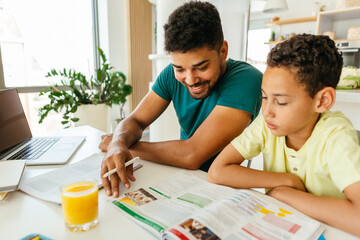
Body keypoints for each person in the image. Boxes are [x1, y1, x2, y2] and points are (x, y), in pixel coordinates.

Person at [99, 1, 262, 197]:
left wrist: (126, 147)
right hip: (180, 178)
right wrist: (118, 142)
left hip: (224, 190)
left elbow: (192, 154)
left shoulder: (247, 80)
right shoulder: (170, 75)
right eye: (180, 69)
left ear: (223, 51)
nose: (191, 79)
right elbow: (136, 120)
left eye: (201, 67)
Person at [208, 34, 360, 236]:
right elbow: (217, 172)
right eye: (263, 97)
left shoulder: (336, 136)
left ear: (323, 100)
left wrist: (282, 193)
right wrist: (286, 180)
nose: (267, 111)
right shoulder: (268, 123)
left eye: (280, 102)